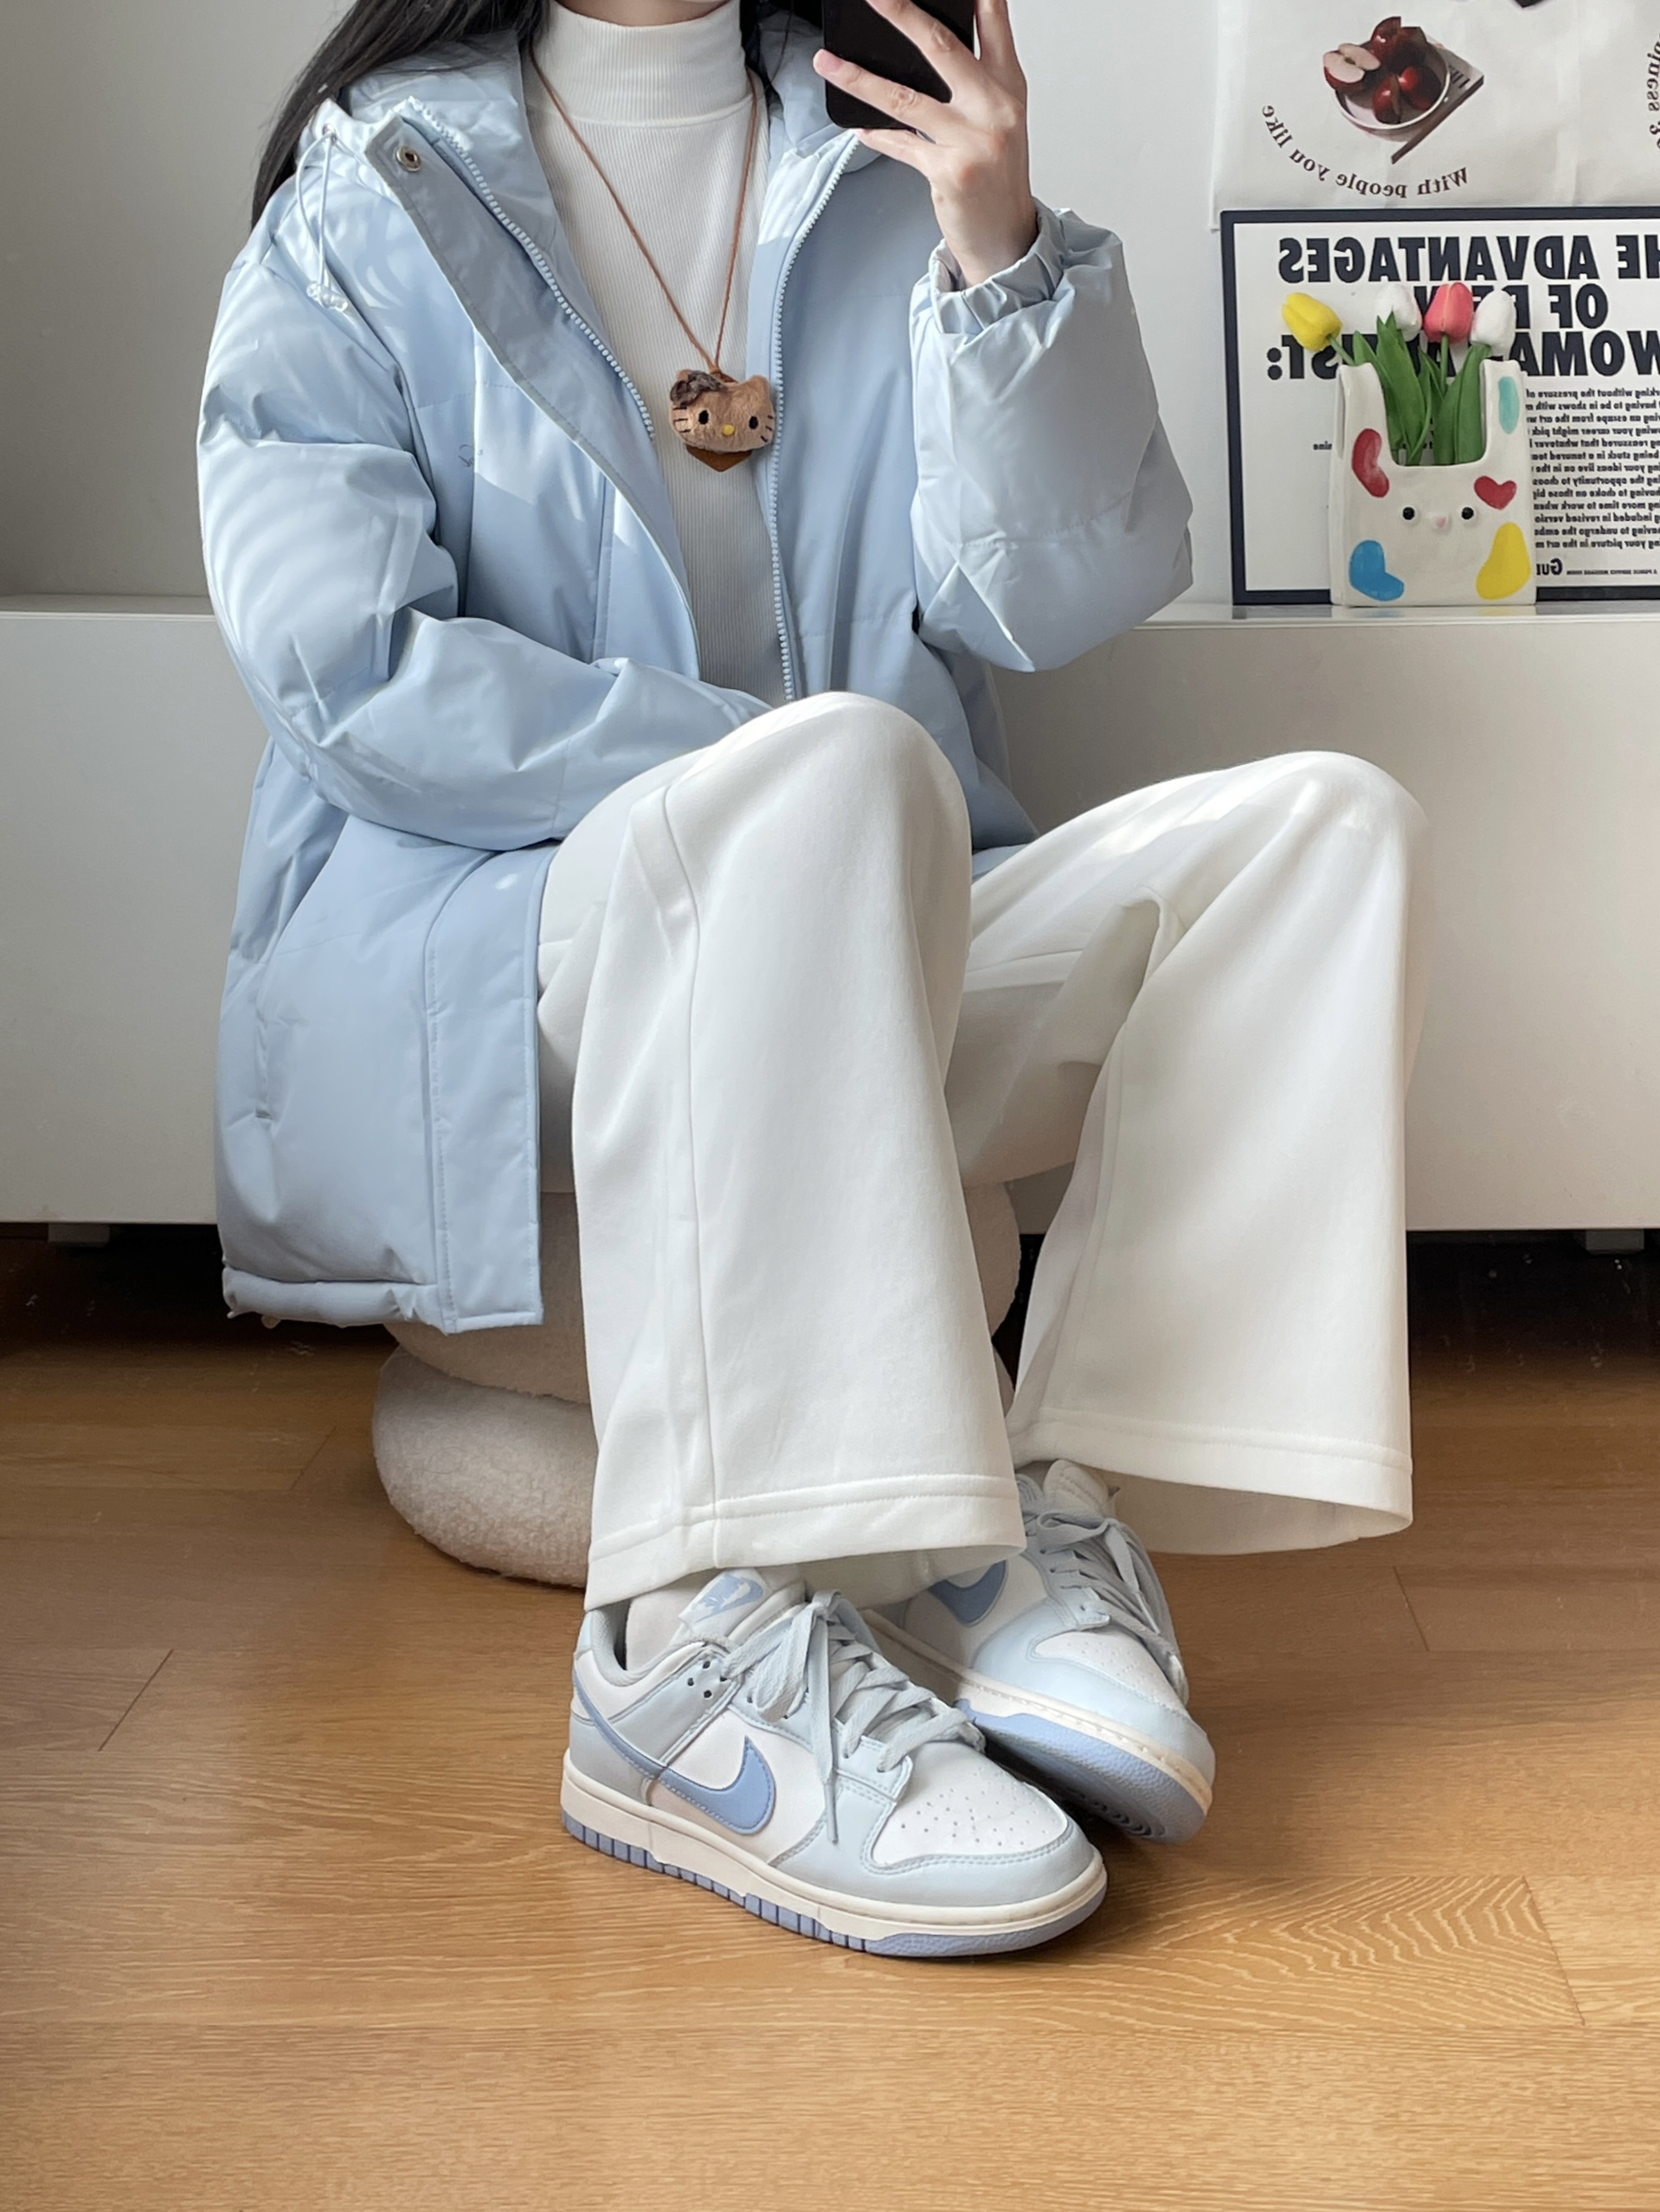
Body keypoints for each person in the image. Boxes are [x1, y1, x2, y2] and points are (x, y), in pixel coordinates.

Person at [200, 0, 1431, 1959]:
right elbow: (351, 674)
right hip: (509, 963)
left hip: (872, 910)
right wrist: (764, 765)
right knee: (834, 769)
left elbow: (1062, 592)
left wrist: (998, 242)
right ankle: (676, 1664)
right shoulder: (367, 194)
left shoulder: (874, 167)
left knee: (1317, 832)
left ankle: (1029, 1530)